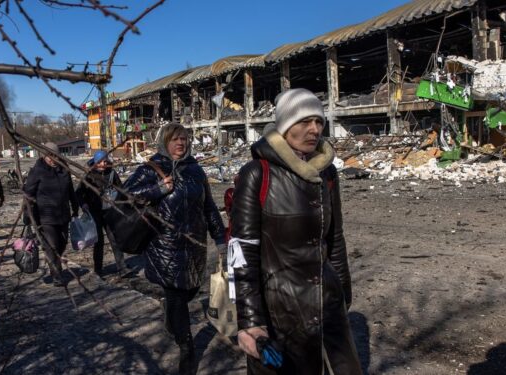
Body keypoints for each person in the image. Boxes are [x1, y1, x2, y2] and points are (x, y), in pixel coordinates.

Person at [231, 88, 362, 374]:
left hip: (327, 304)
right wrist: (250, 322)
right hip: (280, 312)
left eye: (319, 121)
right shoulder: (257, 173)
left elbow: (334, 239)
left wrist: (342, 295)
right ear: (286, 125)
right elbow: (241, 252)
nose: (314, 129)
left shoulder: (326, 173)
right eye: (305, 121)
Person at [125, 123, 226, 374]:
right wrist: (157, 190)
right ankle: (186, 346)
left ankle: (171, 317)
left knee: (190, 290)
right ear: (164, 142)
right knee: (178, 296)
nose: (180, 143)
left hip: (195, 245)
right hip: (164, 245)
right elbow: (123, 195)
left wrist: (220, 239)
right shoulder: (150, 169)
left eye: (184, 139)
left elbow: (209, 207)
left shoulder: (195, 170)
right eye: (174, 139)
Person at [23, 142, 79, 286]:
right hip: (45, 215)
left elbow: (71, 191)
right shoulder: (38, 171)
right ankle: (57, 275)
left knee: (62, 243)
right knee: (51, 245)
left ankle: (56, 267)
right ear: (44, 156)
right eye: (49, 156)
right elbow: (28, 193)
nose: (51, 159)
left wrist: (75, 207)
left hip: (63, 214)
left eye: (54, 155)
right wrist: (27, 215)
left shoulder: (64, 170)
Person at [75, 150, 128, 278]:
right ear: (96, 162)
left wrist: (121, 201)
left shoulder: (111, 173)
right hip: (95, 212)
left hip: (109, 211)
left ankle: (122, 268)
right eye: (101, 161)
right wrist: (83, 204)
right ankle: (98, 270)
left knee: (114, 239)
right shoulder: (89, 175)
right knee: (99, 242)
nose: (104, 163)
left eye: (105, 161)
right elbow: (79, 193)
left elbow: (121, 188)